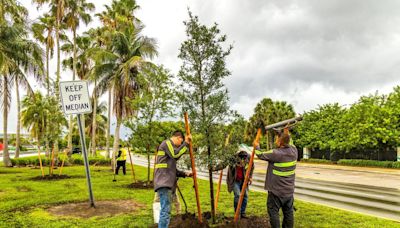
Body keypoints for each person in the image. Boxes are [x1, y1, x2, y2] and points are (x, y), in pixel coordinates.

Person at [254, 129, 298, 228]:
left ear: (280, 142)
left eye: (277, 139)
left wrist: (256, 145)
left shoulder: (276, 153)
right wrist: (283, 132)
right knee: (288, 213)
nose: (275, 141)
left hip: (276, 192)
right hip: (289, 191)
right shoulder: (294, 150)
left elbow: (260, 154)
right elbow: (289, 141)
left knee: (273, 212)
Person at [154, 130, 191, 228]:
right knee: (165, 211)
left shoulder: (168, 151)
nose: (180, 145)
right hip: (164, 183)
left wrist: (185, 174)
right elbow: (176, 154)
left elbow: (171, 168)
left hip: (166, 182)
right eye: (181, 142)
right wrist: (186, 144)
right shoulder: (167, 143)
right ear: (179, 138)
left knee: (166, 210)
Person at [213, 150, 254, 219]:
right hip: (234, 180)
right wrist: (214, 168)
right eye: (240, 161)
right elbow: (223, 164)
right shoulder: (232, 158)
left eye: (243, 161)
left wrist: (250, 177)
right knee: (237, 195)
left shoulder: (249, 157)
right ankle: (237, 213)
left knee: (245, 196)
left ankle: (243, 213)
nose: (242, 163)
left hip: (244, 180)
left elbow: (252, 166)